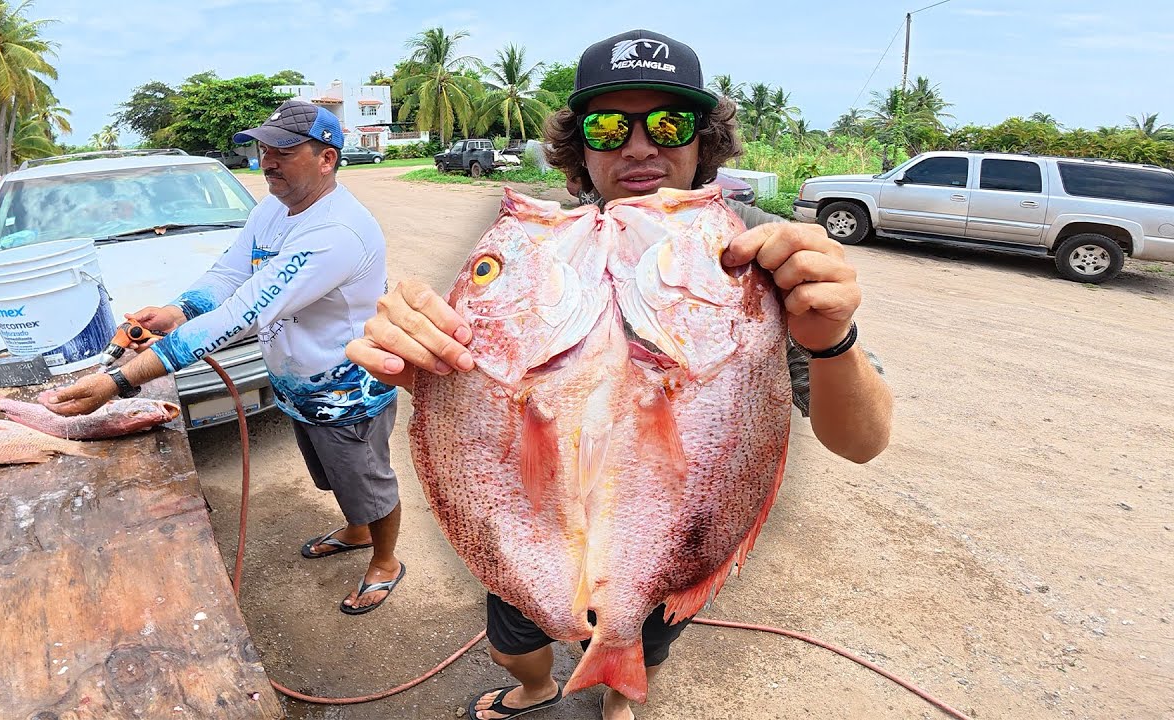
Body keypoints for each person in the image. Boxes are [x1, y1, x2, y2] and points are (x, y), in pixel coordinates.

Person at [346, 29, 894, 720]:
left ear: (703, 141)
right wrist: (428, 367)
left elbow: (864, 442)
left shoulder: (753, 247)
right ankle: (537, 687)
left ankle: (617, 693)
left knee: (642, 639)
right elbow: (491, 395)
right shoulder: (545, 237)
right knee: (515, 640)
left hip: (669, 522)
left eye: (669, 124)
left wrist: (832, 340)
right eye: (608, 126)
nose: (638, 146)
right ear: (580, 147)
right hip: (536, 518)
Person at [44, 100, 407, 615]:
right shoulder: (273, 208)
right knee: (335, 477)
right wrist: (178, 310)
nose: (267, 161)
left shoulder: (336, 233)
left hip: (346, 391)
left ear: (327, 158)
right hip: (299, 384)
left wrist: (120, 382)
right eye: (263, 149)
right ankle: (357, 529)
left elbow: (241, 313)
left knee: (369, 482)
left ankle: (385, 561)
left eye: (284, 151)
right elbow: (230, 274)